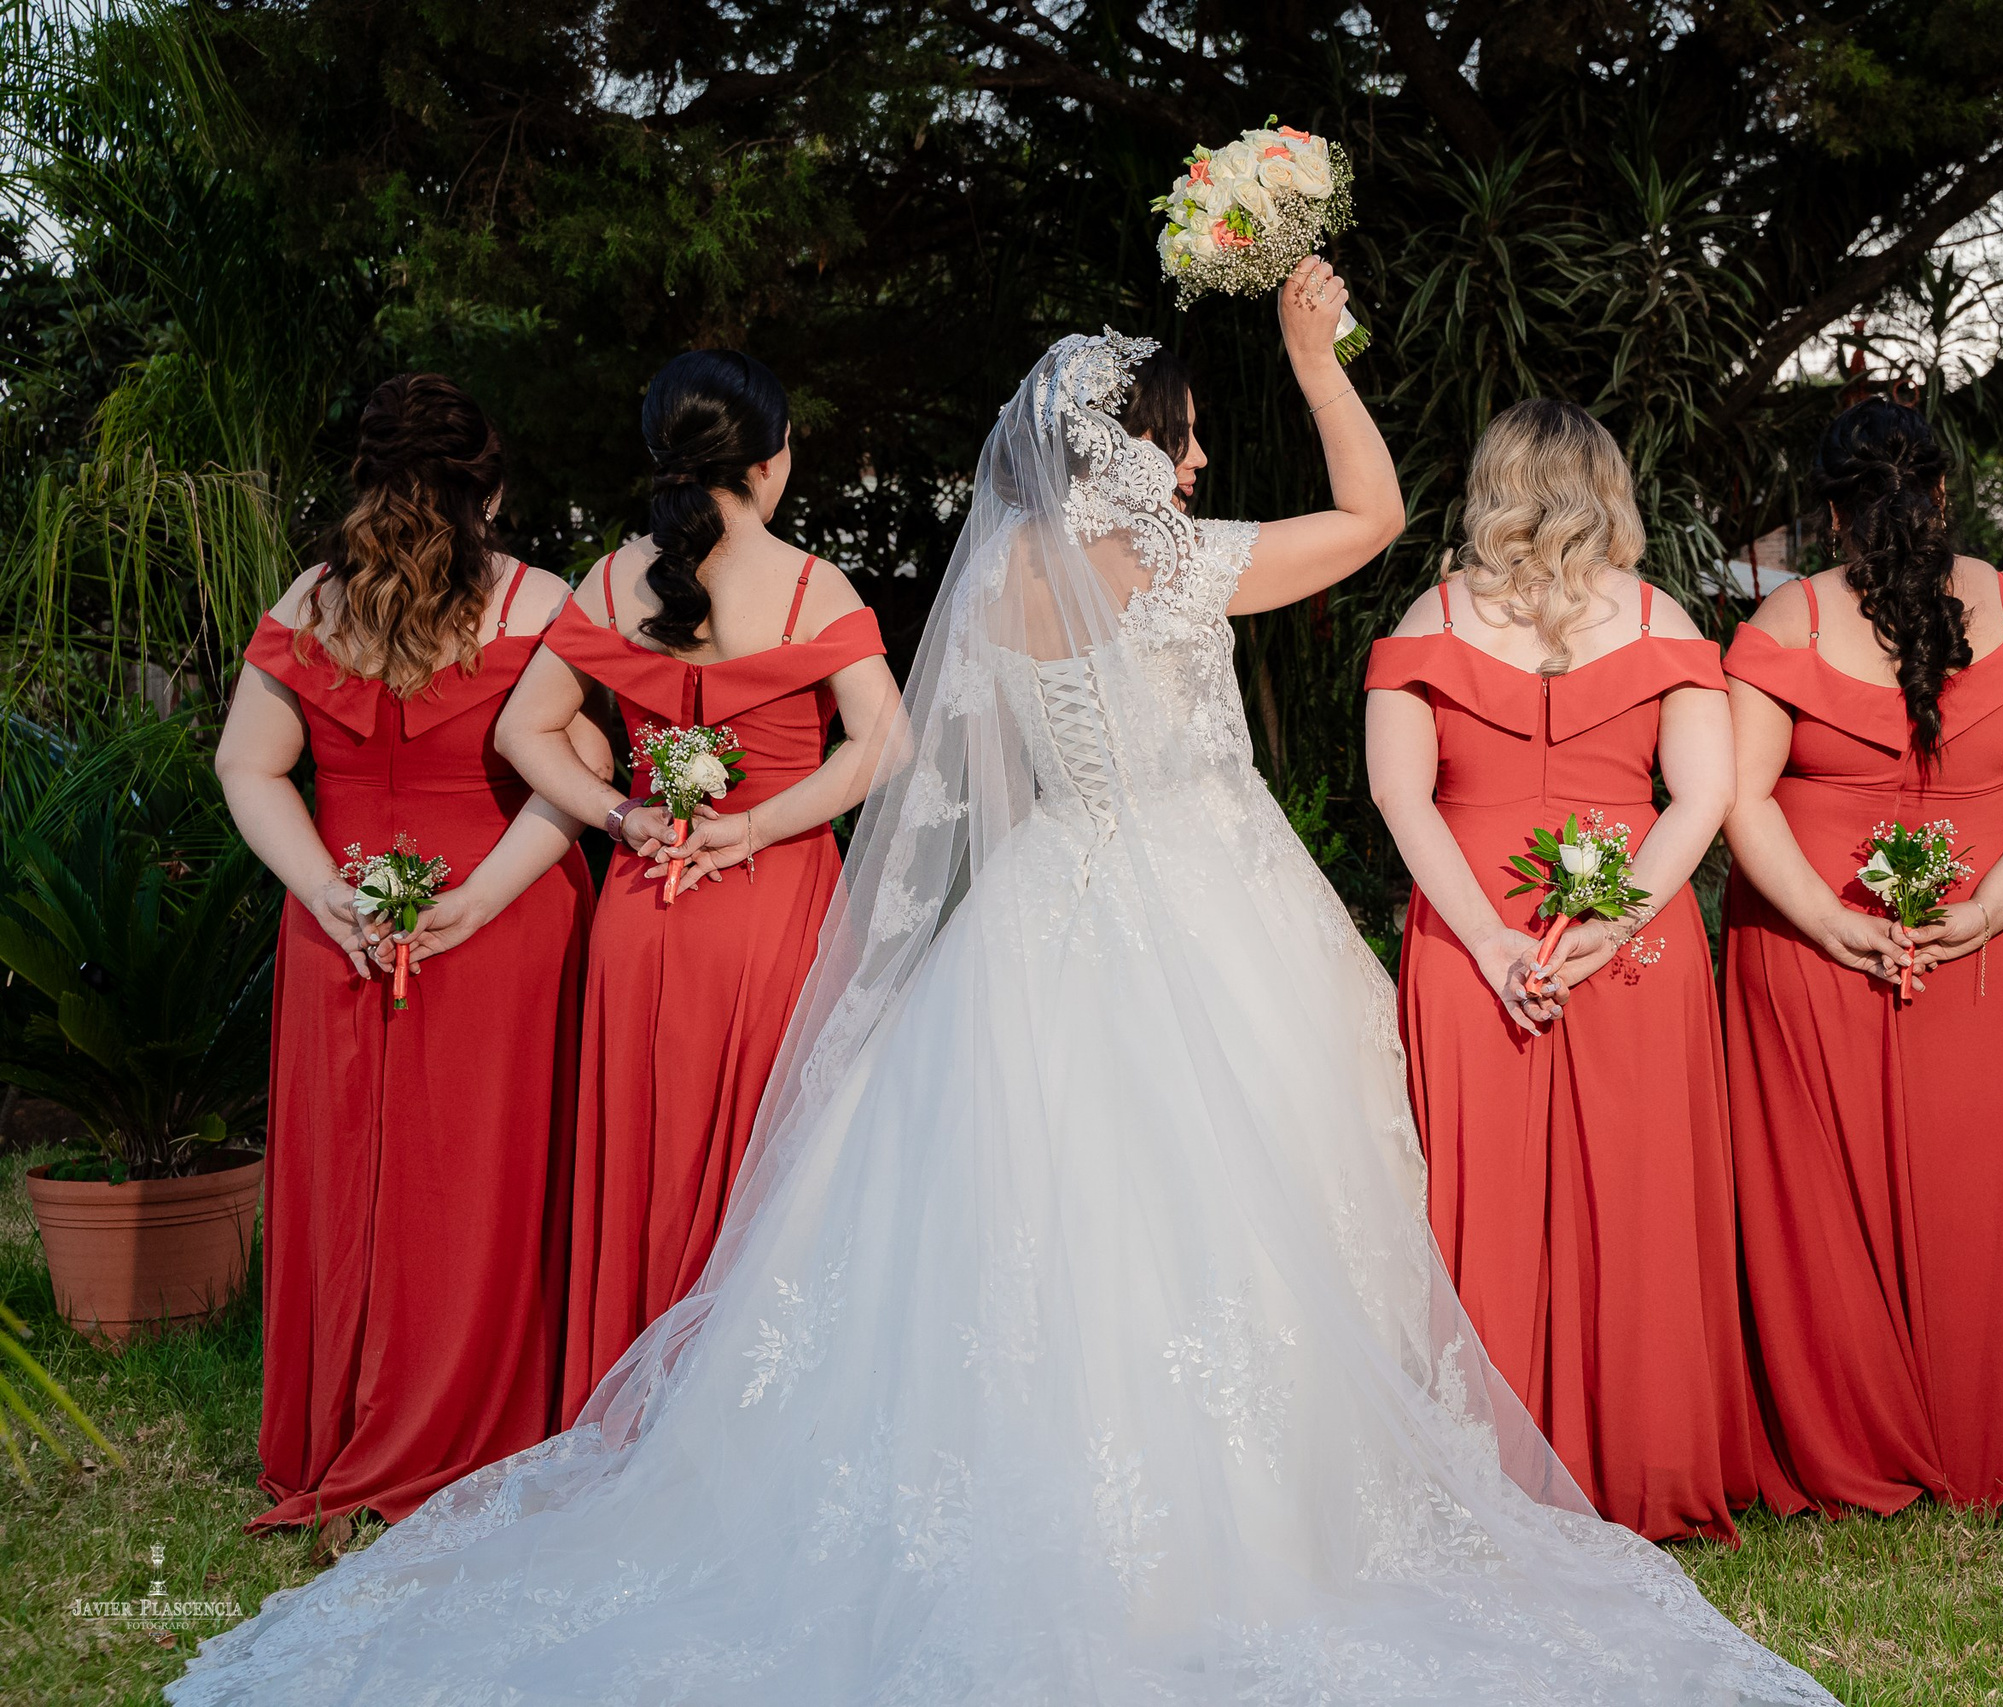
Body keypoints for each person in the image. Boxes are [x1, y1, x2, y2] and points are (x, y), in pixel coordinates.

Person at [169, 268, 1837, 1707]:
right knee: (1229, 1211)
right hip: (1205, 895)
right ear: (1133, 449)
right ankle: (1229, 1536)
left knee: (1029, 1219)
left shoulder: (997, 591)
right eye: (1182, 433)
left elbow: (969, 791)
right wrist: (1318, 357)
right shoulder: (1182, 566)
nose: (1196, 457)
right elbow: (1385, 520)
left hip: (1043, 913)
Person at [215, 373, 601, 1531]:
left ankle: (343, 1422)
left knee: (363, 1182)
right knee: (481, 1181)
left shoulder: (311, 600)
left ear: (364, 482)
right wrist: (477, 902)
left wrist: (329, 894)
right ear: (492, 486)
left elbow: (248, 764)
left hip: (344, 927)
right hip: (498, 922)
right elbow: (574, 786)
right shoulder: (539, 603)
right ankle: (470, 1424)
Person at [1365, 399, 1751, 1542]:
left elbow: (1401, 793)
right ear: (1609, 489)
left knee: (1471, 1200)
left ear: (1494, 487)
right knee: (1634, 1191)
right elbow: (1702, 796)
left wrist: (1488, 940)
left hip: (1468, 933)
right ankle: (1636, 1462)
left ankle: (1482, 1470)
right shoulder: (1665, 621)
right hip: (1636, 945)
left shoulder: (1427, 619)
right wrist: (1617, 922)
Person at [1720, 398, 2003, 1516]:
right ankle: (1982, 1413)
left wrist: (1831, 922)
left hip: (1813, 939)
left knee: (1823, 1191)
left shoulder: (1785, 622)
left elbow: (1739, 798)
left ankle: (1843, 1420)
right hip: (1990, 944)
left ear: (1833, 515)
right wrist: (1988, 910)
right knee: (1978, 1180)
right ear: (1943, 494)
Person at [493, 349, 902, 1412]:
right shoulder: (816, 588)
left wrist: (624, 815)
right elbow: (884, 750)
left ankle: (631, 1412)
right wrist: (754, 826)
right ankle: (750, 1423)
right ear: (771, 463)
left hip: (644, 907)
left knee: (648, 1163)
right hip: (777, 909)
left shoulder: (609, 582)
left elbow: (522, 730)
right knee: (775, 1173)